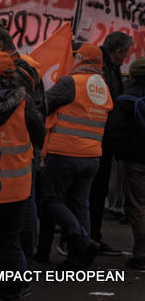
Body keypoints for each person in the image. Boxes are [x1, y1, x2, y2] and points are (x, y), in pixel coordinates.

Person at [0, 52, 45, 300]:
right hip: (16, 186)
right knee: (9, 241)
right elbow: (39, 134)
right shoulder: (24, 102)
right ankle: (11, 290)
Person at [41, 43, 113, 268]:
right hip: (92, 155)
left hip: (65, 151)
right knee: (80, 204)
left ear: (80, 58)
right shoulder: (103, 86)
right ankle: (79, 256)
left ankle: (82, 241)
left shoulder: (71, 82)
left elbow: (44, 103)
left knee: (49, 200)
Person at [89, 31, 134, 256]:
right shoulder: (100, 69)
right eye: (125, 54)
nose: (125, 59)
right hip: (96, 140)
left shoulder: (110, 68)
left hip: (103, 141)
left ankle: (93, 236)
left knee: (96, 193)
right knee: (92, 193)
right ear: (117, 51)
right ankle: (87, 238)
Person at [105, 56, 145, 270]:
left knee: (138, 205)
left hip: (136, 160)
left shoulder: (125, 99)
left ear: (132, 75)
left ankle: (141, 254)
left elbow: (115, 131)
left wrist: (121, 154)